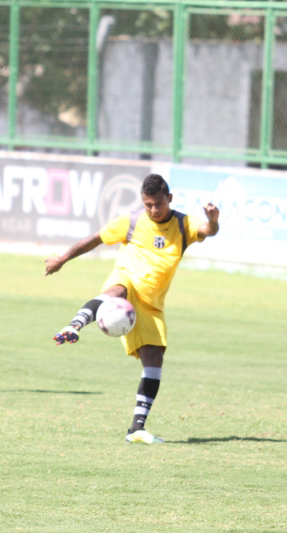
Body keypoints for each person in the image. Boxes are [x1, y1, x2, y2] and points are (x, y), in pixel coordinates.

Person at [45, 174, 220, 444]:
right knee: (115, 292)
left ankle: (136, 429)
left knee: (154, 362)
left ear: (169, 199)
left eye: (158, 204)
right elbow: (95, 239)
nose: (153, 210)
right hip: (128, 280)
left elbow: (209, 232)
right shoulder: (132, 221)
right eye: (148, 204)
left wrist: (213, 220)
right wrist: (62, 259)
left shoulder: (184, 224)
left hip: (152, 304)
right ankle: (75, 325)